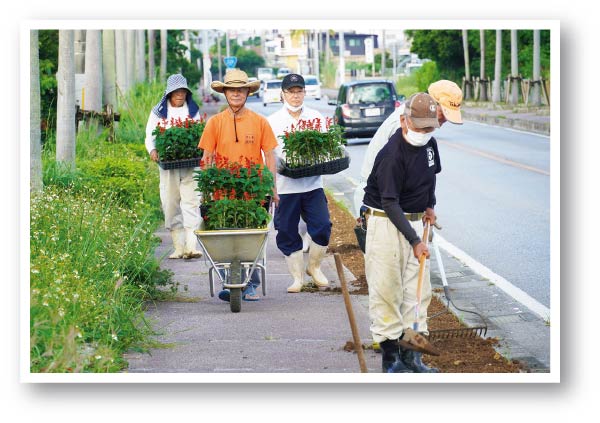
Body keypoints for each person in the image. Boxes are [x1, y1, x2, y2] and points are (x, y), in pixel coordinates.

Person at [363, 92, 442, 373]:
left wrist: (429, 206)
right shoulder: (392, 155)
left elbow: (430, 178)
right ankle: (391, 360)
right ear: (404, 120)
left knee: (418, 292)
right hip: (386, 221)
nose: (424, 132)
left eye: (429, 127)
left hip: (417, 220)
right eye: (419, 126)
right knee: (387, 290)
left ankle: (413, 357)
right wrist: (414, 241)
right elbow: (389, 201)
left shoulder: (430, 146)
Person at [198, 69, 279, 302]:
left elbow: (270, 156)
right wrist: (205, 192)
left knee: (252, 239)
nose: (236, 94)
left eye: (240, 90)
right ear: (224, 93)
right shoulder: (215, 123)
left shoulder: (259, 122)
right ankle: (230, 282)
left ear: (247, 92)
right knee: (225, 239)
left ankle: (251, 284)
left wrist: (272, 189)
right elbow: (207, 157)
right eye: (231, 89)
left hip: (253, 193)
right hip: (223, 193)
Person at [353, 80, 463, 215]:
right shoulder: (407, 126)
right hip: (378, 201)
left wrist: (429, 205)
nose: (444, 121)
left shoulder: (420, 122)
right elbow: (390, 194)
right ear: (431, 103)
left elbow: (428, 172)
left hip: (399, 200)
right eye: (444, 114)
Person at [267, 74, 332, 293]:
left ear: (305, 92)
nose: (295, 96)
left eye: (299, 91)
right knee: (285, 230)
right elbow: (267, 154)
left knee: (322, 226)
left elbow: (326, 149)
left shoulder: (316, 117)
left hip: (313, 184)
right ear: (283, 94)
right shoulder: (273, 120)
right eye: (291, 91)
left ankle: (314, 267)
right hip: (286, 186)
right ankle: (297, 277)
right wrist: (271, 185)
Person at [145, 74, 203, 260]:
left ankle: (191, 246)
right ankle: (178, 247)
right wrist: (153, 150)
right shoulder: (158, 112)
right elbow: (149, 136)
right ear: (169, 93)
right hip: (167, 164)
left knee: (191, 201)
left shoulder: (193, 111)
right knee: (170, 202)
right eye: (176, 92)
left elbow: (199, 135)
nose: (180, 95)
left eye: (183, 92)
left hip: (190, 163)